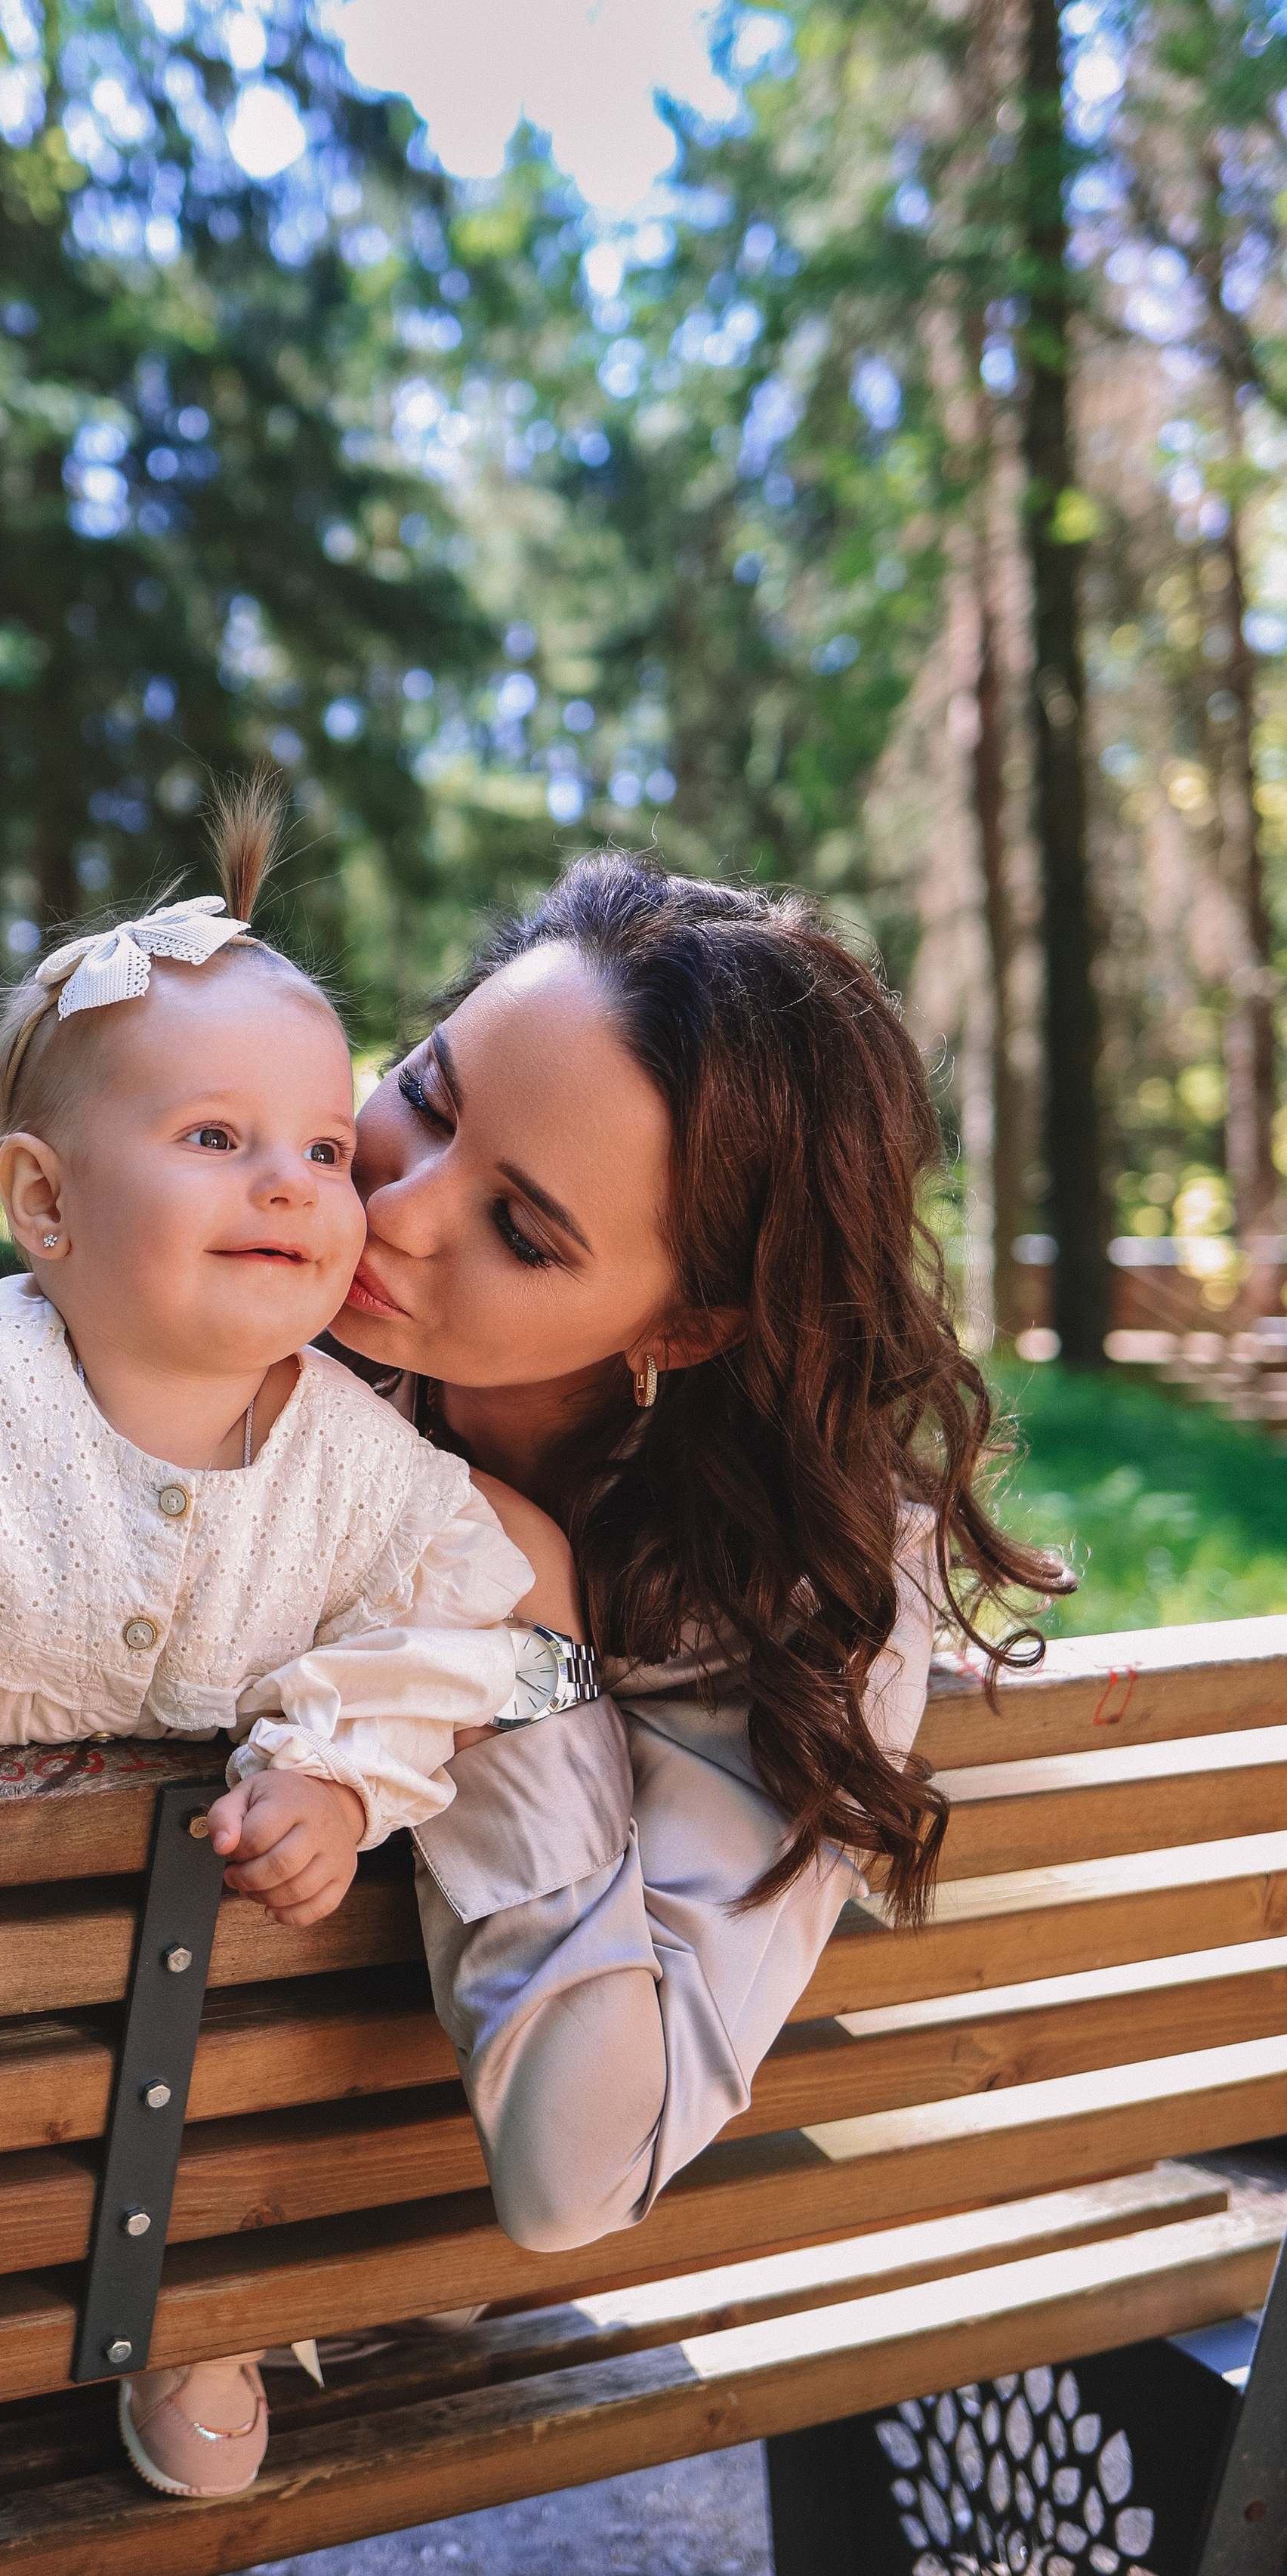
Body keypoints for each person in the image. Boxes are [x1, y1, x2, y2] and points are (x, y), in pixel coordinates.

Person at [0, 791, 582, 2498]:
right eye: (213, 1138)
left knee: (232, 2068)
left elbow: (471, 1624)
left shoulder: (362, 1462)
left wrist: (340, 1770)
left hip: (206, 1994)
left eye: (325, 1148)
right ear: (41, 1199)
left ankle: (208, 2313)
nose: (292, 1180)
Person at [326, 854, 1061, 2253]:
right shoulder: (224, 1341)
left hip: (361, 2277)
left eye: (522, 1231)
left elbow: (577, 2169)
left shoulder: (809, 1600)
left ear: (687, 1326)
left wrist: (512, 1615)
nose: (398, 1209)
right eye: (424, 1097)